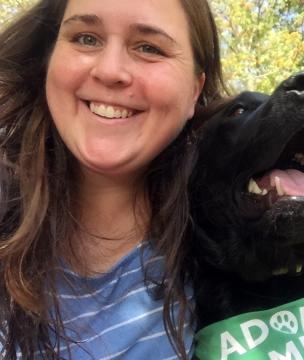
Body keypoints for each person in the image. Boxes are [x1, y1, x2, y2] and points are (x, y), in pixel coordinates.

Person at [0, 0, 226, 358]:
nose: (110, 71)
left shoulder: (236, 245)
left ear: (195, 91)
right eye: (86, 38)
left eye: (148, 47)